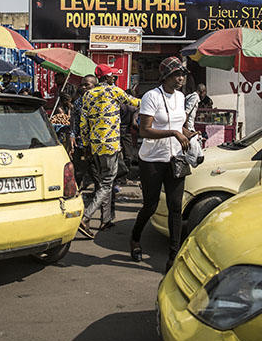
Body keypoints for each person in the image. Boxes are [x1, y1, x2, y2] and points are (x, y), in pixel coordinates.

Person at [130, 57, 196, 273]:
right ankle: (135, 239)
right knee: (150, 206)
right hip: (152, 160)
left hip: (175, 159)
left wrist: (189, 134)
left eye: (182, 75)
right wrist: (174, 133)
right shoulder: (151, 96)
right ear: (165, 77)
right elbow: (144, 130)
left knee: (176, 207)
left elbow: (180, 125)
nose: (181, 78)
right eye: (177, 75)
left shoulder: (181, 97)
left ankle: (173, 256)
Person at [78, 65, 140, 238]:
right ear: (108, 78)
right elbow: (135, 102)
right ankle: (86, 217)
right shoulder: (114, 91)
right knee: (106, 183)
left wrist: (86, 145)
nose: (114, 79)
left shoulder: (89, 95)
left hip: (95, 145)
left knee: (106, 181)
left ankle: (106, 219)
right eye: (112, 76)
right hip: (111, 145)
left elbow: (83, 124)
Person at [69, 75, 97, 189]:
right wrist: (72, 136)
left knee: (96, 173)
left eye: (87, 85)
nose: (84, 87)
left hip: (96, 145)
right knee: (78, 171)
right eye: (82, 85)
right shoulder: (78, 103)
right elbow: (74, 122)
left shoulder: (100, 102)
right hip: (80, 144)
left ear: (95, 86)